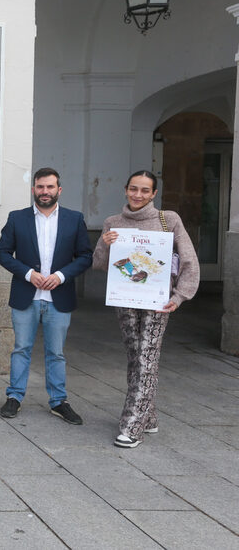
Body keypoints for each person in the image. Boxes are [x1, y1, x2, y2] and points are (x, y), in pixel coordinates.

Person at [93, 170, 199, 448]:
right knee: (134, 356)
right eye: (133, 189)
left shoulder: (169, 220)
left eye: (144, 190)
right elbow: (100, 264)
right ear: (126, 190)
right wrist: (104, 246)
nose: (138, 195)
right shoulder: (113, 223)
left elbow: (189, 259)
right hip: (125, 300)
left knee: (146, 357)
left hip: (158, 302)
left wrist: (179, 296)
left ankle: (133, 424)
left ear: (153, 194)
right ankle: (149, 416)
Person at [0, 167, 92, 424]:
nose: (45, 192)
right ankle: (14, 397)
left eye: (50, 187)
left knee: (56, 352)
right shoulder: (18, 218)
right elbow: (1, 253)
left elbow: (85, 256)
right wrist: (28, 273)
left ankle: (59, 401)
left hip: (59, 298)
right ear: (33, 189)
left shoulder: (74, 218)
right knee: (21, 349)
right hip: (26, 295)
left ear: (59, 190)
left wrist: (60, 276)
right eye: (40, 187)